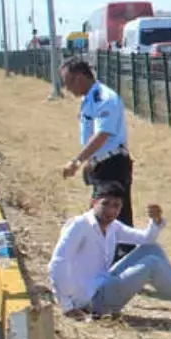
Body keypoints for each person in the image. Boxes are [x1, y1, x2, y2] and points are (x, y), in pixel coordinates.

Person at [47, 181, 171, 324]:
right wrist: (67, 307)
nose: (111, 211)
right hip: (92, 301)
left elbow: (146, 238)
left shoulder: (113, 226)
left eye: (116, 206)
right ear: (93, 202)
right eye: (106, 204)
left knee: (152, 249)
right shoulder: (79, 226)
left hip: (104, 283)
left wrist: (155, 221)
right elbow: (57, 263)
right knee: (152, 265)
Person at [59, 57, 135, 228]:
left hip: (113, 165)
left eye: (67, 82)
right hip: (102, 164)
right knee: (104, 222)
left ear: (79, 77)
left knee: (111, 221)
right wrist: (90, 161)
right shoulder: (90, 98)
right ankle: (110, 254)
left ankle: (121, 255)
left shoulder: (104, 98)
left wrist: (76, 161)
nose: (66, 88)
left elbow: (102, 135)